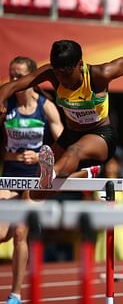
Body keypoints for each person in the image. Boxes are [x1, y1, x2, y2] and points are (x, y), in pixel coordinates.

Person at [0, 40, 123, 190]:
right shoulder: (51, 73)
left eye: (68, 75)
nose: (64, 81)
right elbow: (12, 86)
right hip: (70, 134)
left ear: (80, 65)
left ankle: (52, 172)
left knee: (73, 151)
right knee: (38, 189)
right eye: (59, 75)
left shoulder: (100, 74)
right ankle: (83, 173)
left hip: (101, 135)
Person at [0, 56, 64, 304]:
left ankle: (15, 294)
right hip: (10, 177)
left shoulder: (45, 107)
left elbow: (61, 144)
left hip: (35, 180)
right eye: (11, 75)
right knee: (2, 233)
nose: (14, 81)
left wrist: (38, 156)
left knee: (20, 232)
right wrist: (13, 154)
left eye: (19, 76)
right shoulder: (5, 106)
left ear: (31, 78)